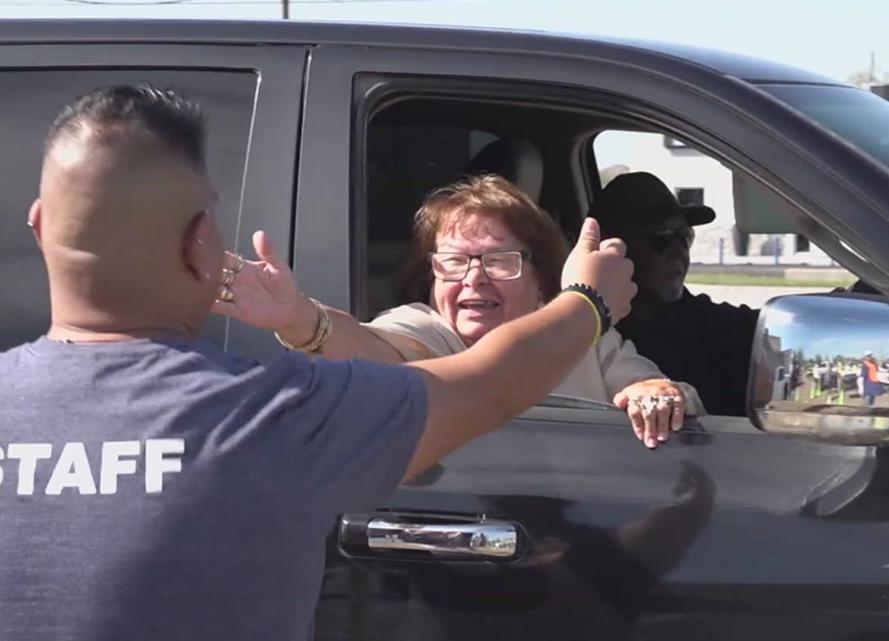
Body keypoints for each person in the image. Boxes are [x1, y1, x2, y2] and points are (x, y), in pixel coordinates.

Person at [0, 85, 635, 641]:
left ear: (38, 224)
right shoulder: (273, 413)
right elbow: (491, 386)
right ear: (200, 242)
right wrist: (588, 301)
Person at [221, 174, 702, 449]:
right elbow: (370, 350)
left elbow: (654, 388)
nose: (473, 278)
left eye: (498, 261)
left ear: (542, 280)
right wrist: (298, 319)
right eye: (453, 261)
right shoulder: (422, 328)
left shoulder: (587, 340)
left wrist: (655, 396)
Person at [591, 171, 759, 417]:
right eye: (661, 239)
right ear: (612, 249)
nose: (679, 251)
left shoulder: (707, 323)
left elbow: (766, 327)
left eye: (685, 237)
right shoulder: (591, 338)